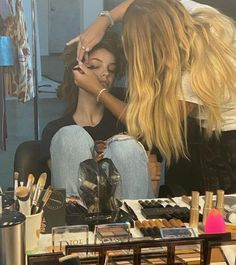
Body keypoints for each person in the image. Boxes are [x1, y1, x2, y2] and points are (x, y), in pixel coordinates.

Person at [68, 0, 236, 194]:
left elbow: (147, 126)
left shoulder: (190, 74)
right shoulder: (188, 14)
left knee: (218, 214)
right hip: (206, 128)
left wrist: (98, 91)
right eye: (93, 66)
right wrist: (105, 20)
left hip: (226, 141)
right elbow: (143, 4)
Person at [40, 32, 158, 200]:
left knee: (126, 146)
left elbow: (149, 178)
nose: (105, 74)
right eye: (94, 66)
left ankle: (129, 222)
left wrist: (99, 92)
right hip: (78, 216)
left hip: (125, 214)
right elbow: (65, 176)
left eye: (112, 69)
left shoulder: (124, 122)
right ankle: (78, 222)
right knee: (70, 136)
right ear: (76, 72)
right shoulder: (55, 130)